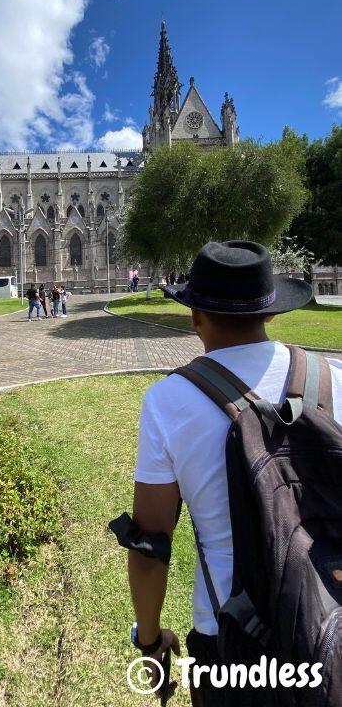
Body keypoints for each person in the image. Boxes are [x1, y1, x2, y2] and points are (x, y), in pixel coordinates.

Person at [120, 240, 342, 705]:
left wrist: (150, 639)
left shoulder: (167, 402)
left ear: (195, 316)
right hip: (332, 626)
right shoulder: (335, 378)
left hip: (232, 640)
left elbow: (149, 547)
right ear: (271, 313)